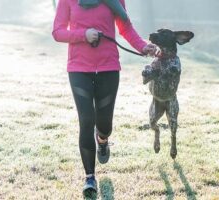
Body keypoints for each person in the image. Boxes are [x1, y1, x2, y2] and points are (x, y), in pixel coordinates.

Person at [52, 0, 156, 196]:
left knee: (104, 124)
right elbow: (58, 32)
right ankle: (89, 177)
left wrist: (142, 46)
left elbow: (125, 28)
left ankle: (103, 139)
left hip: (108, 67)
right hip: (79, 69)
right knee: (86, 120)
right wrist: (83, 35)